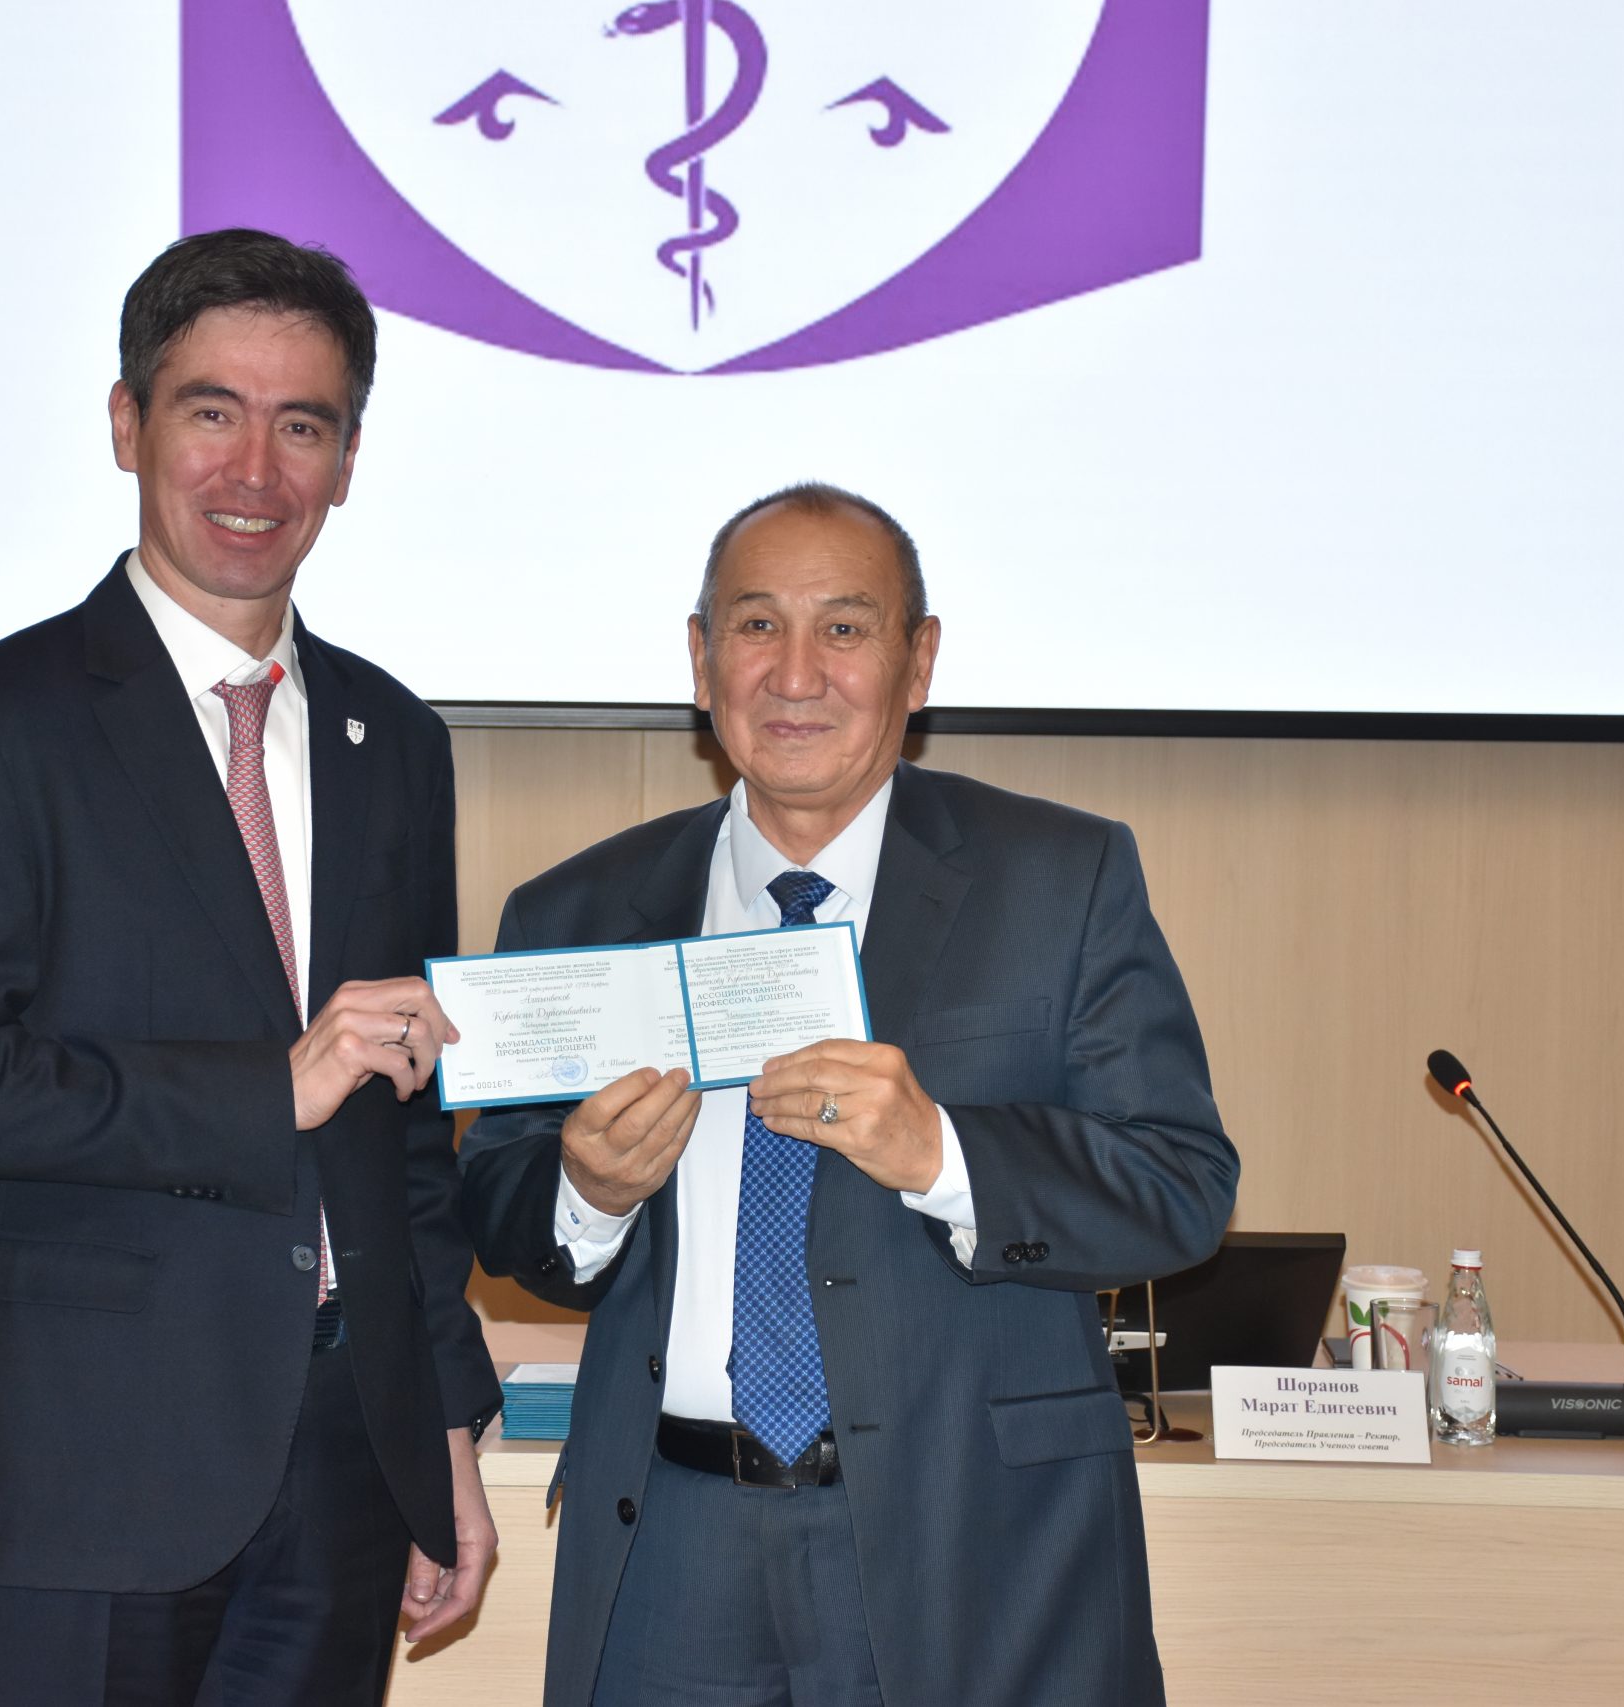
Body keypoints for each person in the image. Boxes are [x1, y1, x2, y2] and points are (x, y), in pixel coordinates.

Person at [459, 484, 1240, 1707]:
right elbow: (496, 1205)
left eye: (843, 628)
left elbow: (1180, 1186)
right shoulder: (576, 910)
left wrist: (944, 1154)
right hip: (669, 1539)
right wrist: (585, 1194)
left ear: (917, 663)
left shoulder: (1061, 877)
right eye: (755, 626)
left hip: (975, 1541)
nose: (794, 674)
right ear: (700, 660)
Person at [0, 228, 503, 1705]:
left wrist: (444, 1426)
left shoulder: (395, 740)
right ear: (126, 424)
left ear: (349, 460)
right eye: (212, 411)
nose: (254, 470)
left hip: (345, 1463)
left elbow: (406, 1135)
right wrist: (268, 1089)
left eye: (303, 426)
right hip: (75, 1464)